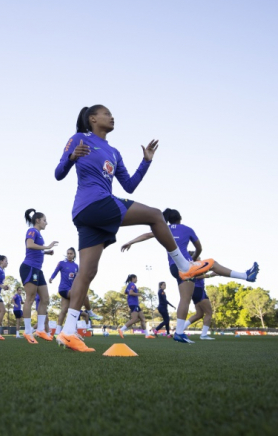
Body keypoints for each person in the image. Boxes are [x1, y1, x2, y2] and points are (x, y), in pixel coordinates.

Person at [53, 105, 213, 352]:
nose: (112, 116)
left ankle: (69, 331)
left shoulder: (114, 152)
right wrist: (72, 157)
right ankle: (184, 266)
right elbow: (58, 173)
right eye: (106, 113)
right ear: (92, 118)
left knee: (87, 272)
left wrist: (146, 162)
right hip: (92, 205)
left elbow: (128, 186)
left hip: (92, 215)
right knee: (156, 215)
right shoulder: (79, 138)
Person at [121, 208, 259, 343]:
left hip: (174, 268)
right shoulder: (187, 229)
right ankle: (246, 276)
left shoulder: (164, 227)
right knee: (212, 263)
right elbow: (199, 248)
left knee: (185, 299)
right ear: (180, 218)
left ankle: (179, 333)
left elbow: (146, 235)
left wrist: (130, 242)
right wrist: (194, 257)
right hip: (186, 265)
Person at [20, 209, 57, 344]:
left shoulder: (38, 234)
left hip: (37, 269)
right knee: (29, 299)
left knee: (45, 299)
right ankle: (28, 331)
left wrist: (46, 252)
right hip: (29, 268)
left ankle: (41, 329)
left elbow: (34, 250)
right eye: (44, 220)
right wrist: (46, 247)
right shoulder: (32, 231)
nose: (46, 223)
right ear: (38, 220)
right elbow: (29, 245)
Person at [183, 259, 217, 340]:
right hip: (199, 290)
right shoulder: (194, 266)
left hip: (196, 290)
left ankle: (181, 328)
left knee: (199, 314)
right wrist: (211, 275)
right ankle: (204, 335)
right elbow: (196, 276)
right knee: (209, 313)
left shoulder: (190, 266)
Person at [117, 275, 155, 339]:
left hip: (134, 304)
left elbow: (126, 292)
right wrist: (139, 294)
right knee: (134, 319)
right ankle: (121, 330)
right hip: (133, 304)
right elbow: (131, 293)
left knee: (142, 318)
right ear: (133, 278)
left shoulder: (129, 285)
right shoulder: (132, 285)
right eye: (136, 278)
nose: (137, 280)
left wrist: (133, 294)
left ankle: (147, 335)